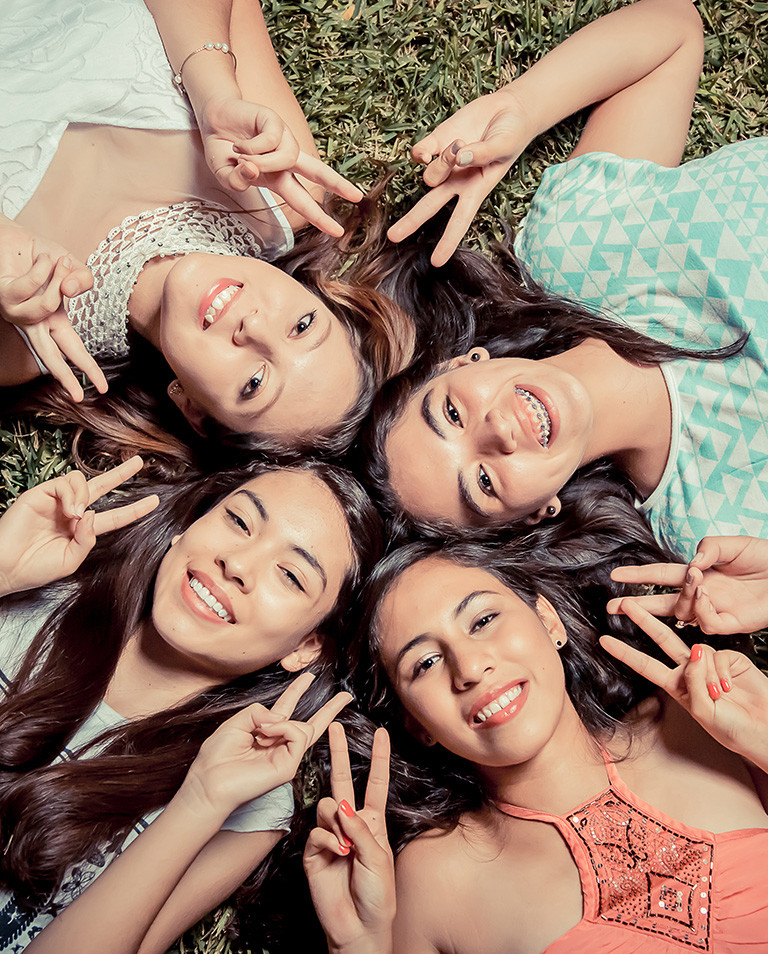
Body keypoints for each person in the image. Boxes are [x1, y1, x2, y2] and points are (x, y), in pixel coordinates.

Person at [364, 0, 768, 559]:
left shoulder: (574, 244)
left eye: (452, 413)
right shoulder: (714, 529)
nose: (498, 432)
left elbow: (674, 32)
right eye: (483, 483)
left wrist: (521, 107)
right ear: (535, 514)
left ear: (461, 363)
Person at [303, 537, 768, 953]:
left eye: (483, 620)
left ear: (548, 620)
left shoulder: (701, 723)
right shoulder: (434, 882)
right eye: (425, 663)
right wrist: (356, 946)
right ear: (416, 724)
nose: (469, 668)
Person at [0, 454, 383, 952]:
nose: (237, 564)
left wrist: (202, 799)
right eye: (239, 521)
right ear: (187, 527)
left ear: (305, 647)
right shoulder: (31, 604)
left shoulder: (251, 802)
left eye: (290, 575)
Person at [0, 0, 414, 457]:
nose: (255, 327)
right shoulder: (281, 187)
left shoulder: (24, 334)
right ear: (314, 294)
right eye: (301, 325)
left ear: (192, 408)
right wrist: (213, 92)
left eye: (254, 383)